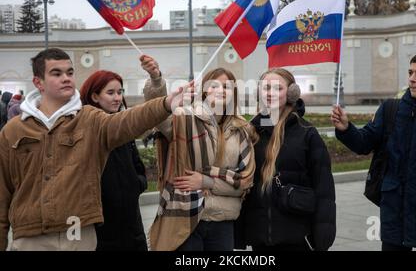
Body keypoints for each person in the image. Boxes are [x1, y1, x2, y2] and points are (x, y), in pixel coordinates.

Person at [0, 48, 186, 251]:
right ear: (38, 82)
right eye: (56, 73)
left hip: (79, 234)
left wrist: (166, 103)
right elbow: (3, 192)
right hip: (30, 237)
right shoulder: (13, 130)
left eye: (70, 73)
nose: (66, 78)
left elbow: (130, 120)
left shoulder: (89, 119)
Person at [331, 51, 416, 251]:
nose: (412, 79)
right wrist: (346, 129)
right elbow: (363, 144)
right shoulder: (391, 109)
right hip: (396, 211)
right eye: (410, 72)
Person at [140, 55, 256, 251]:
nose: (220, 91)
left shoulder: (242, 131)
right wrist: (156, 80)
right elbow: (158, 114)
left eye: (227, 87)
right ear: (204, 91)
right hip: (185, 219)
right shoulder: (184, 120)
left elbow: (244, 182)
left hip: (222, 222)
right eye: (214, 86)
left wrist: (205, 181)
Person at [236, 68, 336, 251]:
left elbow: (324, 189)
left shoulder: (307, 133)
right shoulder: (251, 131)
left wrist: (322, 235)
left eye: (278, 88)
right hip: (260, 238)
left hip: (296, 237)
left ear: (291, 93)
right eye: (266, 87)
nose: (270, 93)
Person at [80, 70, 148, 251]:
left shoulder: (124, 128)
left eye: (120, 92)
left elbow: (139, 168)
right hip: (102, 229)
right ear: (94, 96)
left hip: (132, 226)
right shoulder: (84, 129)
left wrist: (136, 184)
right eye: (110, 93)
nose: (117, 98)